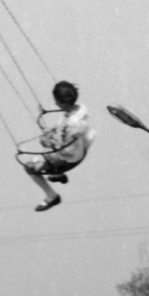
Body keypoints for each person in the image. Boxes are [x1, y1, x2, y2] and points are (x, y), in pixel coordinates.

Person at [17, 81, 96, 213]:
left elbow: (65, 149)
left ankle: (52, 196)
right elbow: (63, 129)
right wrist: (53, 132)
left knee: (29, 168)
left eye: (56, 102)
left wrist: (48, 142)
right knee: (44, 152)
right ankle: (58, 174)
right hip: (80, 150)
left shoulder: (72, 124)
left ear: (63, 103)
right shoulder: (78, 110)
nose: (55, 104)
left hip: (69, 158)